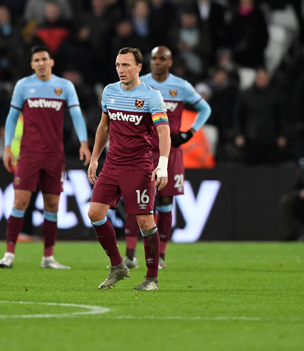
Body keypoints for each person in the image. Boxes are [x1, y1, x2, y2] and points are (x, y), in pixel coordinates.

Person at [0, 45, 91, 269]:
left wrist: (84, 143)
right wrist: (8, 147)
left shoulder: (64, 86)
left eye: (44, 59)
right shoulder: (23, 85)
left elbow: (76, 114)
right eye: (36, 60)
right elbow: (12, 117)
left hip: (54, 155)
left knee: (52, 205)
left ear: (51, 62)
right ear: (32, 64)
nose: (40, 63)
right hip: (28, 154)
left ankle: (48, 257)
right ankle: (9, 254)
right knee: (20, 201)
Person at [119, 46, 211, 269]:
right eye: (154, 59)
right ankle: (130, 255)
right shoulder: (140, 83)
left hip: (171, 153)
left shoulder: (180, 86)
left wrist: (189, 133)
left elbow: (205, 109)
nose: (157, 62)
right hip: (143, 151)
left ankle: (160, 256)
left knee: (166, 202)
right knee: (137, 201)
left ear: (170, 62)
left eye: (162, 59)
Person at [87, 47, 170, 291]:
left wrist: (162, 165)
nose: (121, 70)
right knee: (94, 213)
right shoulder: (109, 91)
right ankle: (118, 266)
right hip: (113, 163)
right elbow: (104, 127)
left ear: (138, 68)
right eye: (118, 65)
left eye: (126, 65)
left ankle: (151, 278)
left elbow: (164, 131)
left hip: (138, 166)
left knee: (144, 220)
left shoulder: (151, 96)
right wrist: (94, 158)